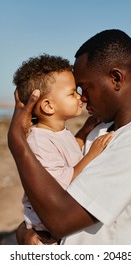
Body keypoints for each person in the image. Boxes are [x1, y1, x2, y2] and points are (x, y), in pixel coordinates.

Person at [8, 29, 131, 245]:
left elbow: (60, 219)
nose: (82, 98)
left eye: (86, 87)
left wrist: (17, 142)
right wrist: (25, 232)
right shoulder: (101, 128)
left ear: (116, 78)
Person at [12, 54, 113, 244]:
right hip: (46, 233)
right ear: (49, 106)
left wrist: (83, 132)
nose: (80, 97)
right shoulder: (38, 141)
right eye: (72, 93)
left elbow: (67, 152)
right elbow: (62, 183)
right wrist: (91, 155)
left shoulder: (59, 132)